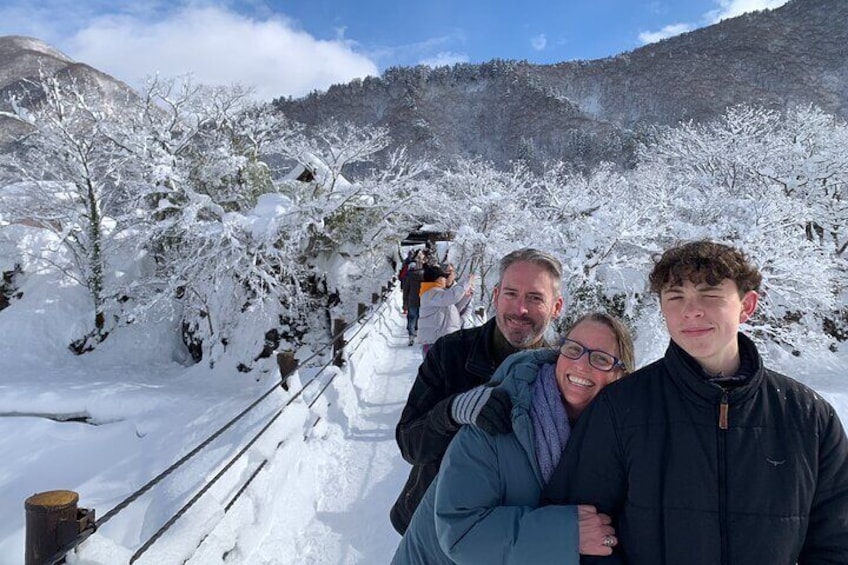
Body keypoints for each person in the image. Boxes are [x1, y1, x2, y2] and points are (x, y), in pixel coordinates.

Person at [543, 240, 848, 564]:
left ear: (747, 305)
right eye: (676, 296)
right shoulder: (620, 409)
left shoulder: (809, 419)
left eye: (710, 294)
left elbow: (835, 543)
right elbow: (577, 532)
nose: (691, 310)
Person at [391, 313, 636, 564]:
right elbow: (460, 534)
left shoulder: (618, 441)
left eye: (601, 358)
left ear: (621, 375)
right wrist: (568, 534)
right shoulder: (499, 415)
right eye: (573, 349)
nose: (582, 365)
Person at [390, 248, 564, 535]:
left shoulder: (563, 374)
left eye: (535, 298)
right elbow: (409, 444)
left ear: (556, 307)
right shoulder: (451, 353)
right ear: (495, 296)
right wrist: (450, 413)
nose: (520, 309)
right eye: (511, 293)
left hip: (509, 538)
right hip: (429, 529)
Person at [417, 263, 475, 356]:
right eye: (443, 277)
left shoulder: (439, 294)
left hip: (442, 340)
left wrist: (466, 296)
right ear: (437, 279)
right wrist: (466, 282)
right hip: (434, 342)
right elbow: (453, 297)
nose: (445, 279)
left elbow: (453, 309)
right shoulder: (431, 293)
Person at [402, 258, 424, 346]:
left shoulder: (409, 277)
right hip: (423, 301)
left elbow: (405, 291)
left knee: (412, 318)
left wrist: (405, 303)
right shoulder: (424, 276)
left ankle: (411, 337)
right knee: (420, 318)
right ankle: (418, 334)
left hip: (412, 301)